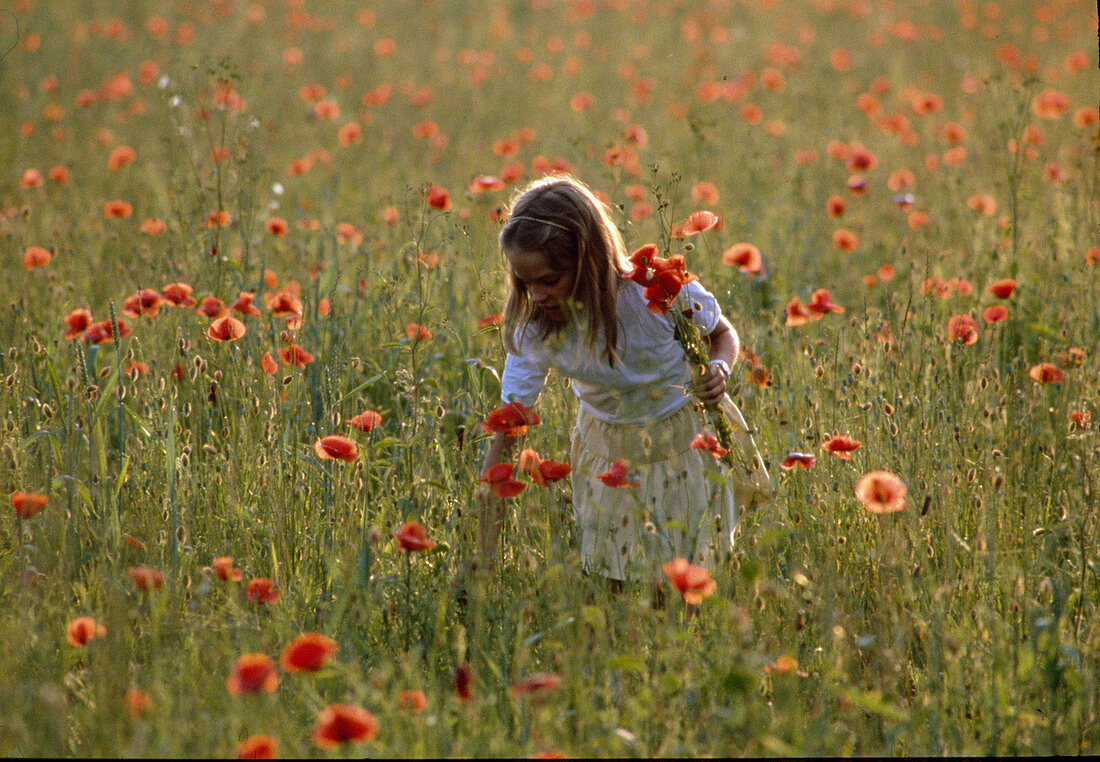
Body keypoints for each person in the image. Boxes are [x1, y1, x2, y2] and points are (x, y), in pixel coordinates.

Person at [479, 175, 740, 590]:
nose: (538, 294)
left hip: (681, 440)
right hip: (607, 451)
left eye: (549, 280)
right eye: (526, 282)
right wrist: (483, 558)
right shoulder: (536, 329)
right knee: (614, 580)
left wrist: (719, 370)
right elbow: (508, 429)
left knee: (681, 580)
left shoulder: (653, 294)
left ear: (589, 260)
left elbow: (722, 334)